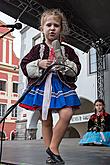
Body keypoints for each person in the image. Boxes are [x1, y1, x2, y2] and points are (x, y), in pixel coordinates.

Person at [19, 8, 81, 164]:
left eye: (56, 25)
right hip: (43, 85)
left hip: (61, 84)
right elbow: (24, 64)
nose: (52, 28)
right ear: (42, 29)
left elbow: (76, 68)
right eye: (48, 25)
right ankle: (52, 155)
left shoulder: (68, 50)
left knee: (66, 113)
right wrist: (38, 63)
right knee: (45, 120)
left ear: (61, 28)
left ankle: (53, 147)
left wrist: (65, 65)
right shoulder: (36, 49)